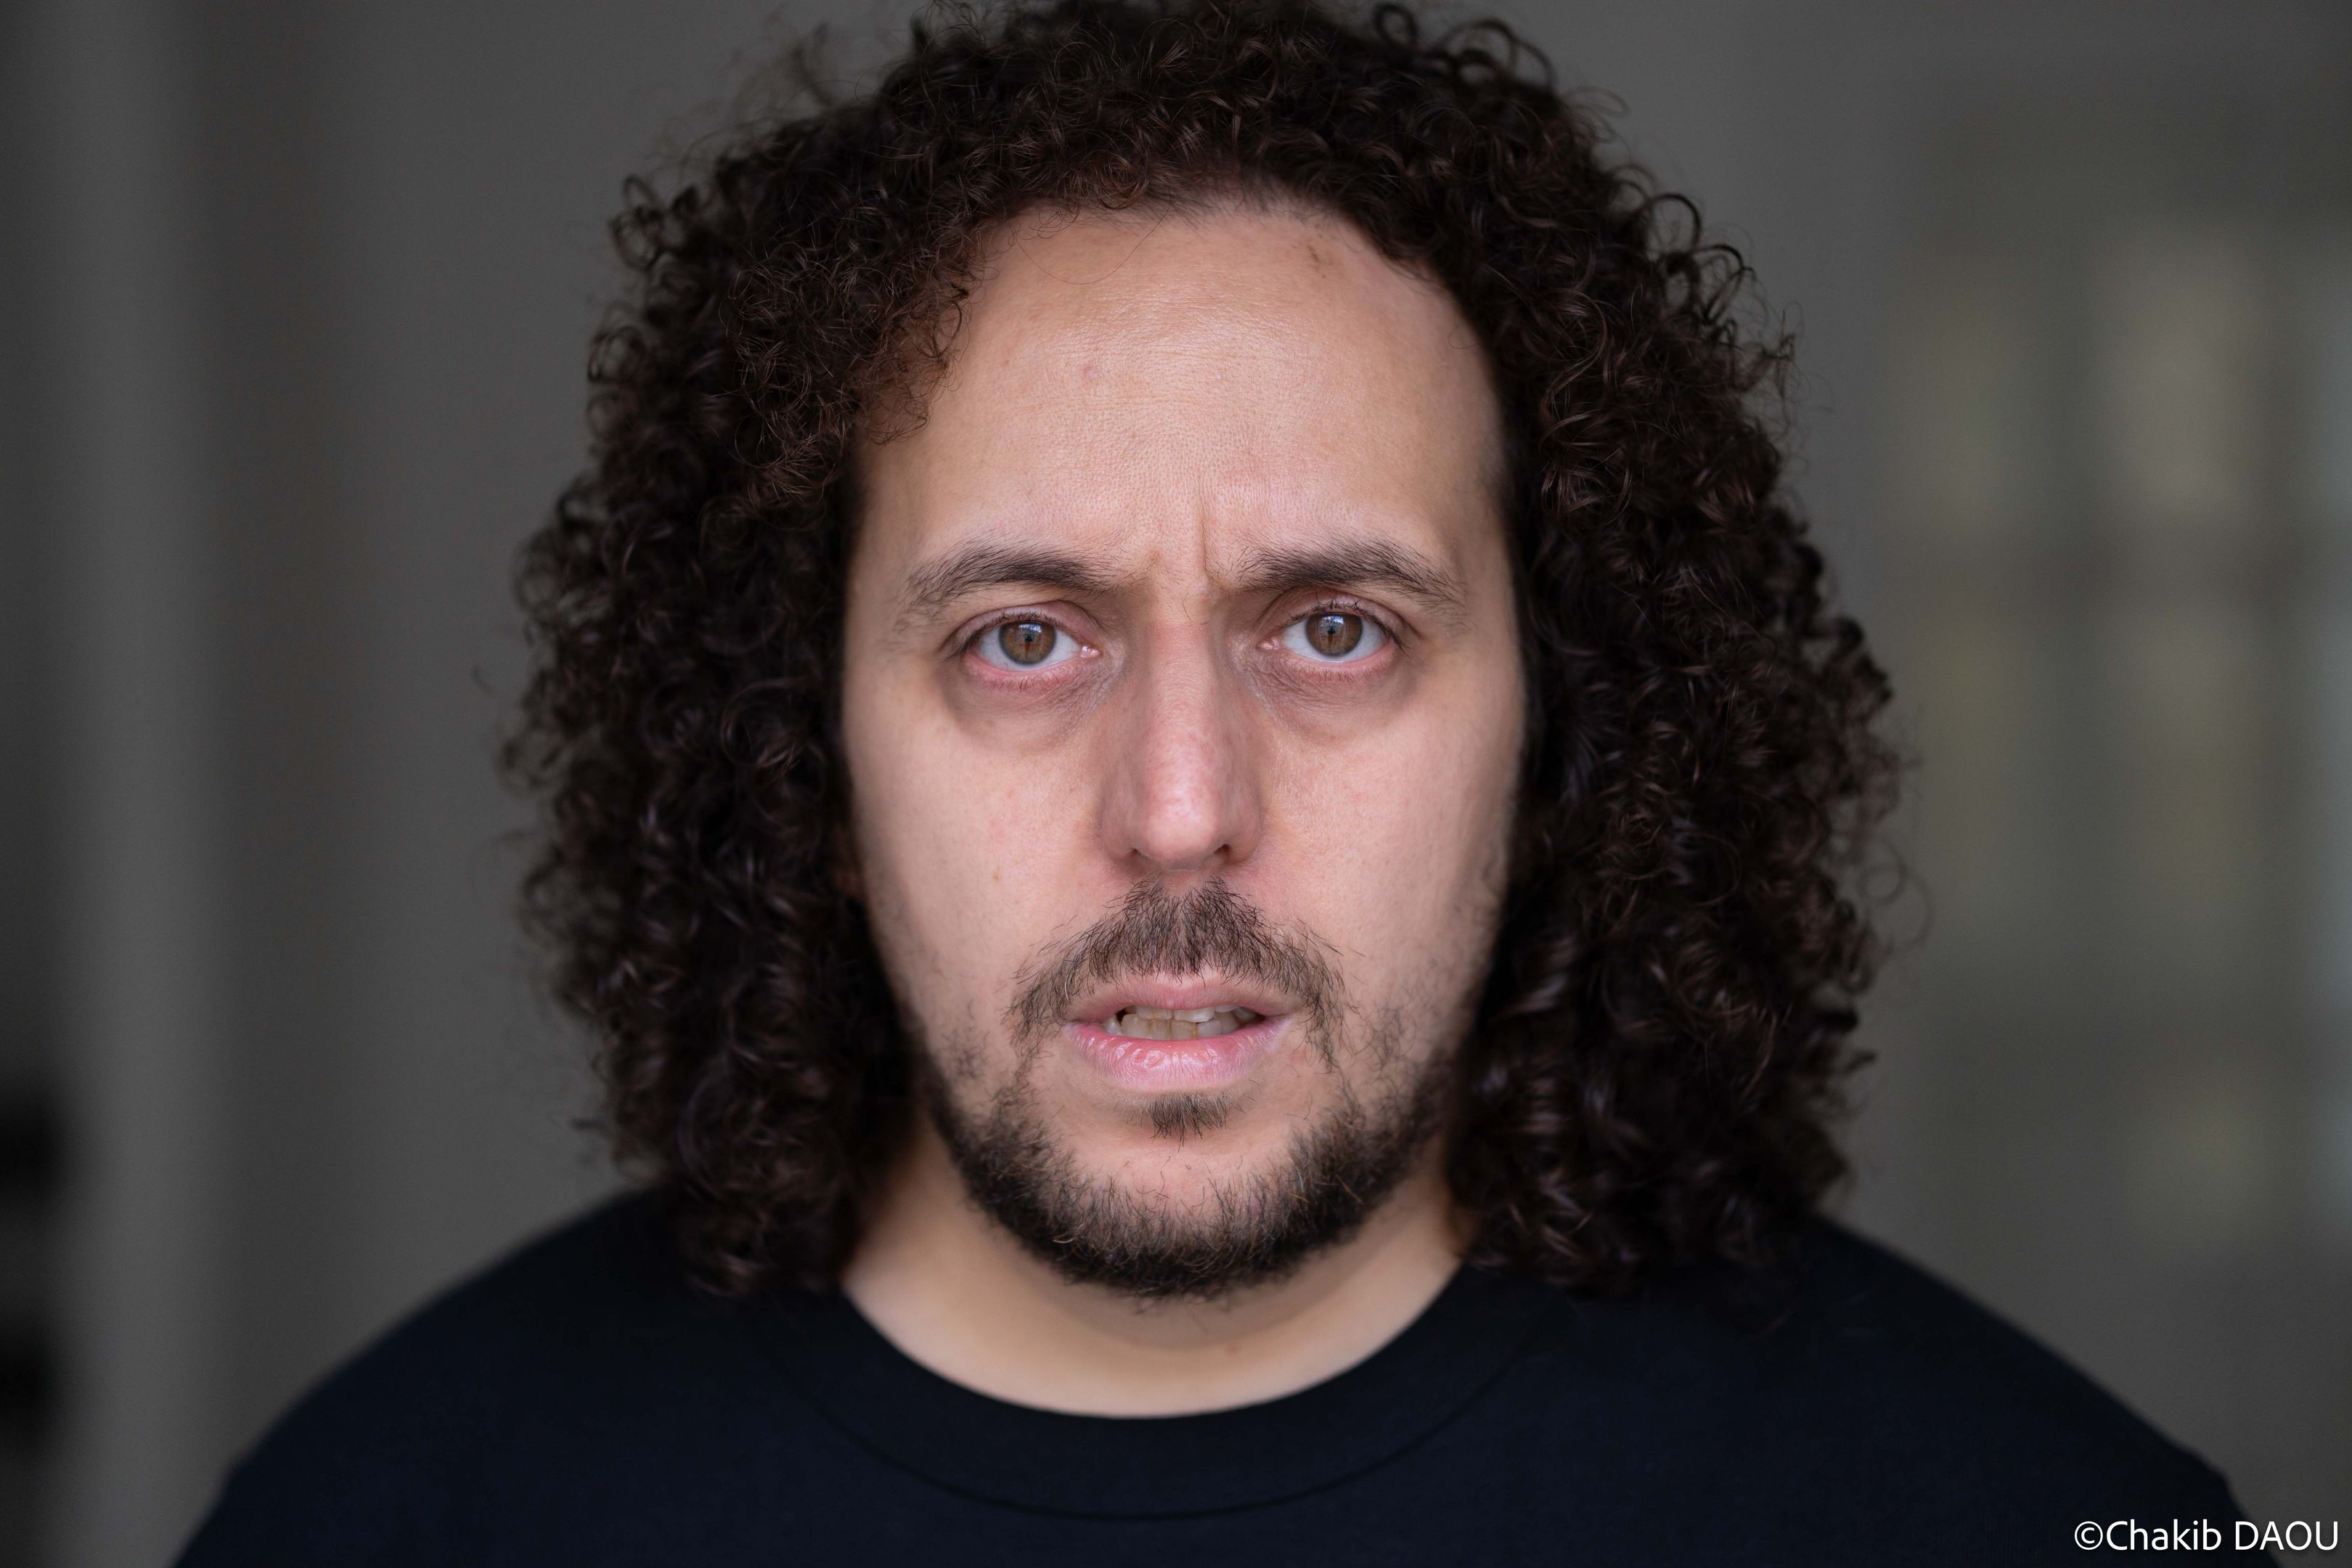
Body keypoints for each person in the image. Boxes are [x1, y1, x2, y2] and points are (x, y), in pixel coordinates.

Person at [178, 1, 2263, 1561]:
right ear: (802, 758)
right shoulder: (393, 1516)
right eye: (1022, 638)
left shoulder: (2028, 1518)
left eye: (1335, 629)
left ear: (1565, 735)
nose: (1180, 808)